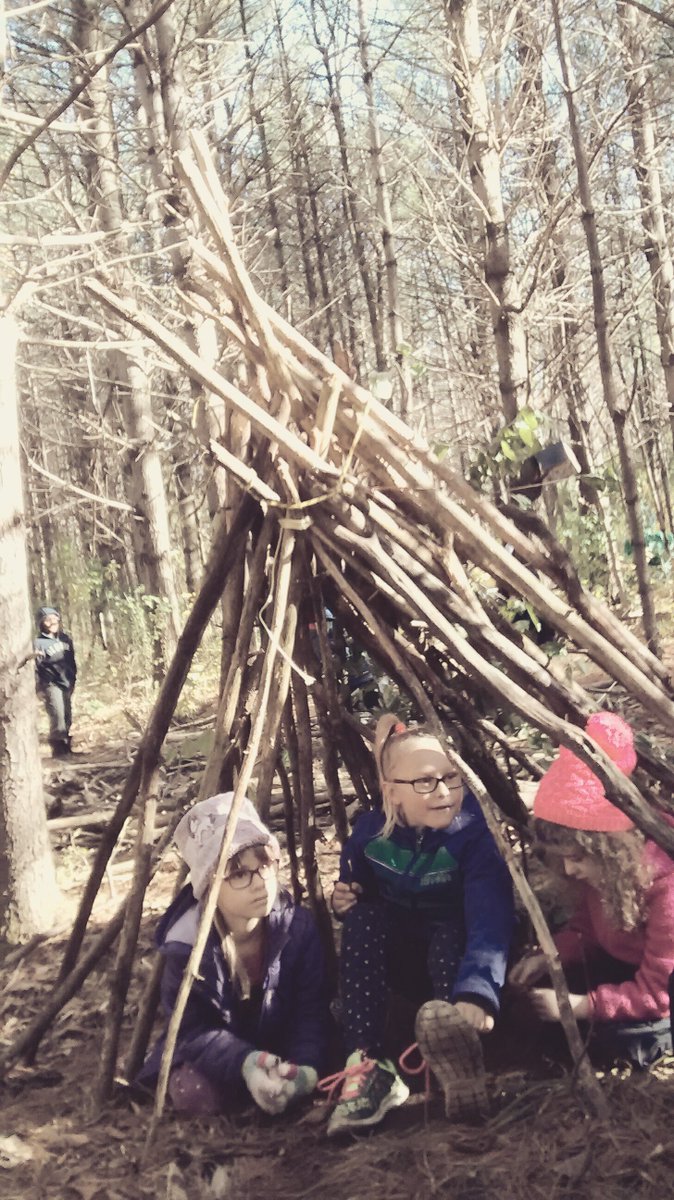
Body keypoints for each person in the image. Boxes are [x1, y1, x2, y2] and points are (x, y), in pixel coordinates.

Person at [323, 715, 514, 1135]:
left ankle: (456, 1049)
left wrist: (478, 992)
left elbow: (490, 914)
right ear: (392, 792)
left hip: (455, 966)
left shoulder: (474, 836)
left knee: (450, 929)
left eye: (451, 777)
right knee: (364, 922)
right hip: (405, 963)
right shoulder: (371, 836)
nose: (444, 792)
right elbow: (358, 890)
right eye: (425, 782)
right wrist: (345, 900)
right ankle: (366, 1065)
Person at [138, 793, 330, 1116]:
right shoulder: (188, 950)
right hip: (221, 1057)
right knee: (195, 1092)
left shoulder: (297, 930)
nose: (261, 883)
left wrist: (306, 1071)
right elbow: (192, 1032)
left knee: (327, 1057)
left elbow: (310, 1012)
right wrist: (245, 1063)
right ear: (209, 887)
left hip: (281, 1048)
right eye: (239, 874)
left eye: (265, 864)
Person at [509, 711, 674, 1068]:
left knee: (621, 1041)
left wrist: (580, 1006)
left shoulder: (665, 888)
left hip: (659, 1000)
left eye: (576, 858)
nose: (569, 870)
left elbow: (659, 992)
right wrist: (551, 956)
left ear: (609, 851)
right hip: (622, 972)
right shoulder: (602, 876)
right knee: (542, 1015)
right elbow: (588, 930)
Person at [34, 605, 77, 756]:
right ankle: (58, 751)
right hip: (51, 684)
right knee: (57, 716)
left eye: (55, 619)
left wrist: (73, 680)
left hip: (66, 681)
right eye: (48, 620)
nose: (53, 623)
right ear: (42, 623)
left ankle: (67, 748)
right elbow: (36, 666)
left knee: (67, 715)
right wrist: (39, 687)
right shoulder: (39, 643)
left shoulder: (65, 639)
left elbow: (71, 661)